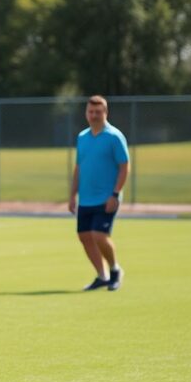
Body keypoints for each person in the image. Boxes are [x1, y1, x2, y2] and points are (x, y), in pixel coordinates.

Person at [69, 95, 129, 291]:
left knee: (99, 234)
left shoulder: (114, 136)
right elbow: (79, 167)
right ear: (86, 113)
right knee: (85, 236)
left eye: (98, 112)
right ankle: (102, 276)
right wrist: (72, 195)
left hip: (106, 198)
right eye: (90, 112)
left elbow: (124, 166)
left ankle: (114, 270)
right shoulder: (82, 137)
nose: (94, 115)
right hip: (85, 198)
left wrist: (115, 193)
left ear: (105, 113)